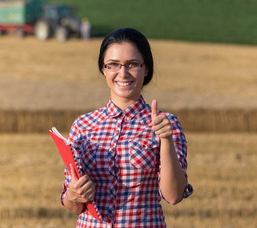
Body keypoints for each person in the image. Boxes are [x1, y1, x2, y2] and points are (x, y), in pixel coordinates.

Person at [60, 28, 193, 227]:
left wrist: (165, 140)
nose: (123, 73)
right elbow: (73, 206)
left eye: (132, 64)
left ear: (146, 68)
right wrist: (73, 194)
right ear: (103, 69)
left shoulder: (166, 124)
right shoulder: (83, 125)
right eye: (113, 65)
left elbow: (173, 196)